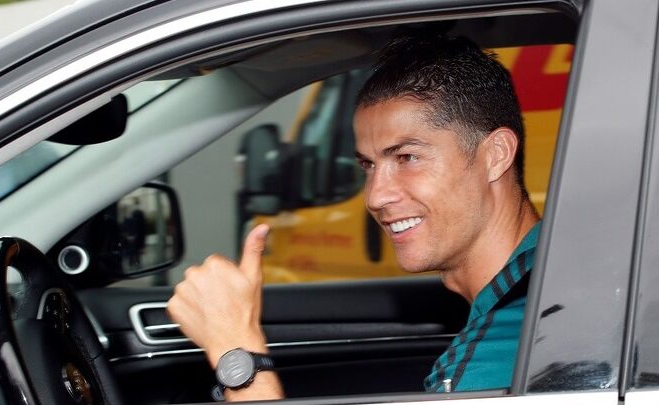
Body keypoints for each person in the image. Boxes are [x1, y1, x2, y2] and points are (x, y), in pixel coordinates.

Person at [167, 34, 540, 401]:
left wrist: (235, 350)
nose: (375, 196)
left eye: (407, 158)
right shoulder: (537, 286)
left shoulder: (507, 344)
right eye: (368, 165)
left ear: (495, 155)